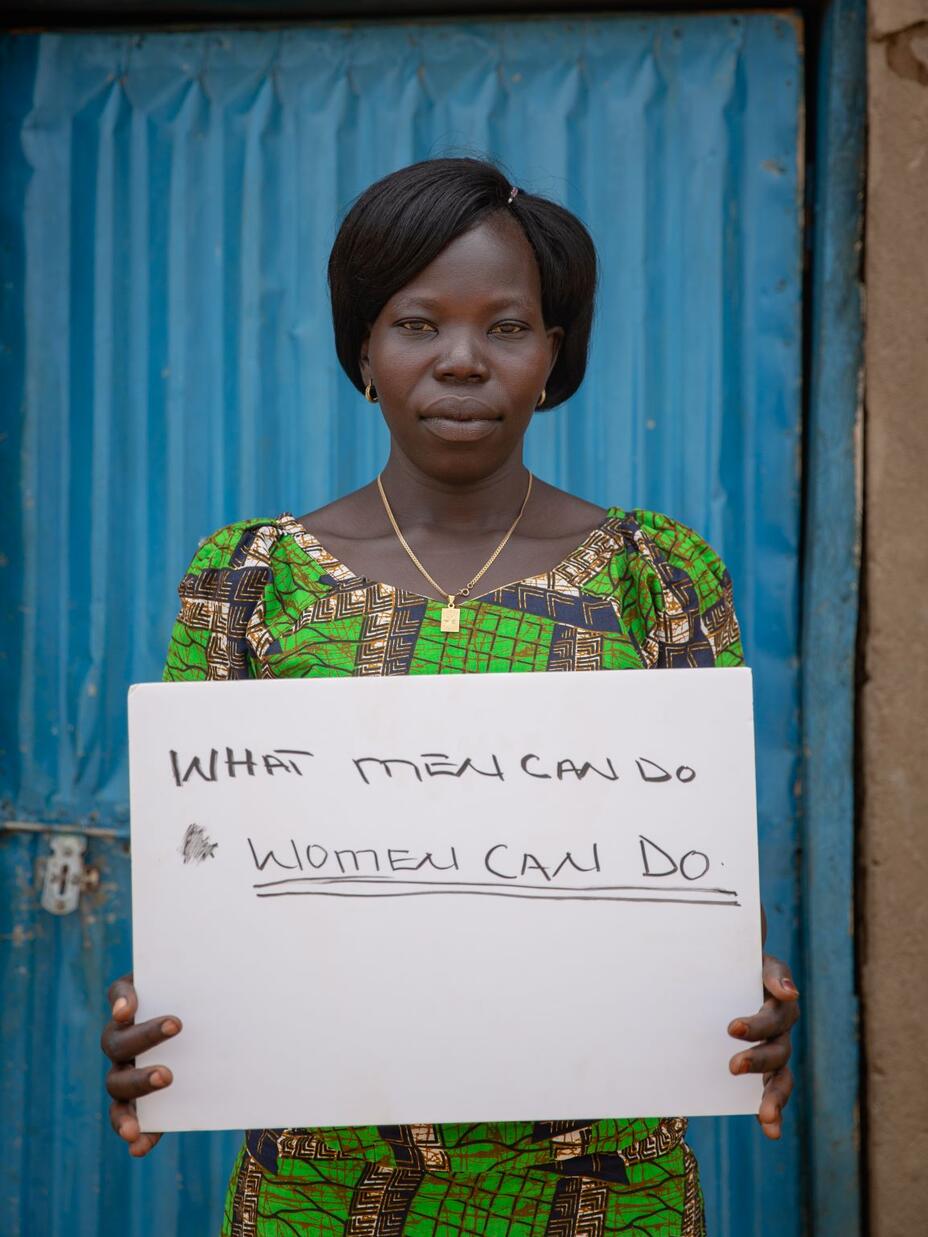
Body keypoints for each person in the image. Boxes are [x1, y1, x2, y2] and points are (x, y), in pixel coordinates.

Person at [101, 157, 799, 1237]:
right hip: (324, 1188)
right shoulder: (248, 581)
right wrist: (167, 1028)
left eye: (506, 327)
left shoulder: (657, 574)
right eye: (417, 324)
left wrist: (743, 993)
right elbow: (204, 874)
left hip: (600, 1182)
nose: (462, 361)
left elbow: (699, 872)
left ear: (552, 354)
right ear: (365, 354)